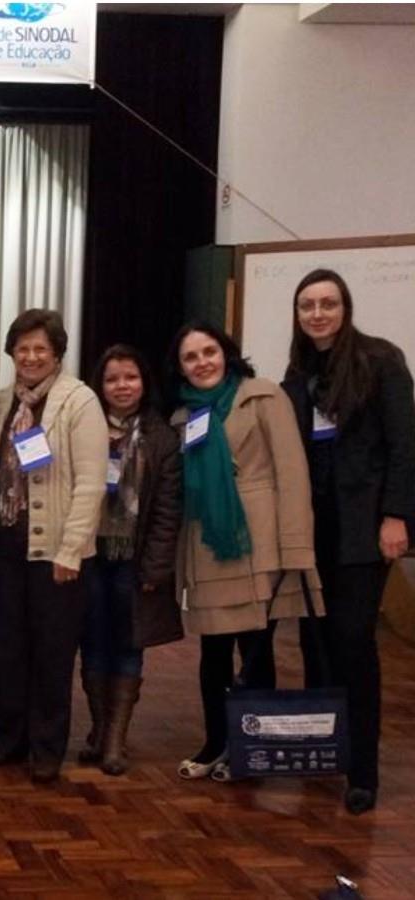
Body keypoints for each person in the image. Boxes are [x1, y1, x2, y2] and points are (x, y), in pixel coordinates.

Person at [282, 269, 415, 815]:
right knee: (315, 643)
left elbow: (406, 445)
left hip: (366, 527)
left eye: (327, 303)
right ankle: (325, 752)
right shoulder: (297, 373)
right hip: (315, 530)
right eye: (307, 305)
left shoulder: (381, 360)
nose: (317, 313)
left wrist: (397, 516)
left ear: (345, 307)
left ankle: (363, 771)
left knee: (353, 641)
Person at [167, 322, 323, 784]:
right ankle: (216, 742)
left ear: (226, 352)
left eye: (209, 351)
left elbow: (293, 473)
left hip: (258, 542)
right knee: (212, 652)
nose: (202, 362)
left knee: (255, 650)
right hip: (208, 546)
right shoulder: (184, 415)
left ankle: (249, 748)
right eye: (190, 357)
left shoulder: (263, 396)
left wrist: (296, 547)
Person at [0, 309, 106, 782]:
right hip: (7, 547)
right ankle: (8, 740)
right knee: (8, 648)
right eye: (22, 348)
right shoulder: (3, 401)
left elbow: (91, 484)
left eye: (40, 349)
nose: (31, 357)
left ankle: (48, 749)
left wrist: (72, 550)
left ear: (56, 354)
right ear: (12, 351)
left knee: (52, 654)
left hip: (55, 554)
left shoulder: (79, 401)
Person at [79, 344, 182, 776]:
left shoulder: (162, 437)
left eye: (131, 377)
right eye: (113, 379)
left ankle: (116, 742)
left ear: (144, 382)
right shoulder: (84, 429)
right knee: (92, 645)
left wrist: (155, 568)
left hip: (134, 563)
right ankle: (100, 732)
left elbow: (166, 510)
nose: (122, 386)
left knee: (127, 646)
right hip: (88, 556)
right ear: (99, 385)